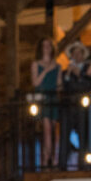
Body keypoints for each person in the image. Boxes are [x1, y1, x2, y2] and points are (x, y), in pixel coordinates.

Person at [31, 37, 62, 168]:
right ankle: (45, 160)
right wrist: (46, 70)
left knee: (55, 130)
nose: (47, 48)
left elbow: (59, 85)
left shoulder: (58, 66)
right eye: (44, 45)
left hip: (53, 98)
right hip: (43, 99)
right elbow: (35, 83)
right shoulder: (36, 64)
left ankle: (54, 159)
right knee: (47, 130)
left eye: (49, 45)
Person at [59, 41, 90, 169]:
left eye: (79, 53)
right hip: (68, 107)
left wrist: (78, 75)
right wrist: (68, 74)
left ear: (82, 55)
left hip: (82, 108)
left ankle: (83, 164)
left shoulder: (87, 71)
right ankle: (62, 165)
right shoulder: (65, 72)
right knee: (65, 136)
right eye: (74, 53)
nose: (77, 56)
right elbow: (63, 88)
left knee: (83, 136)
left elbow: (87, 85)